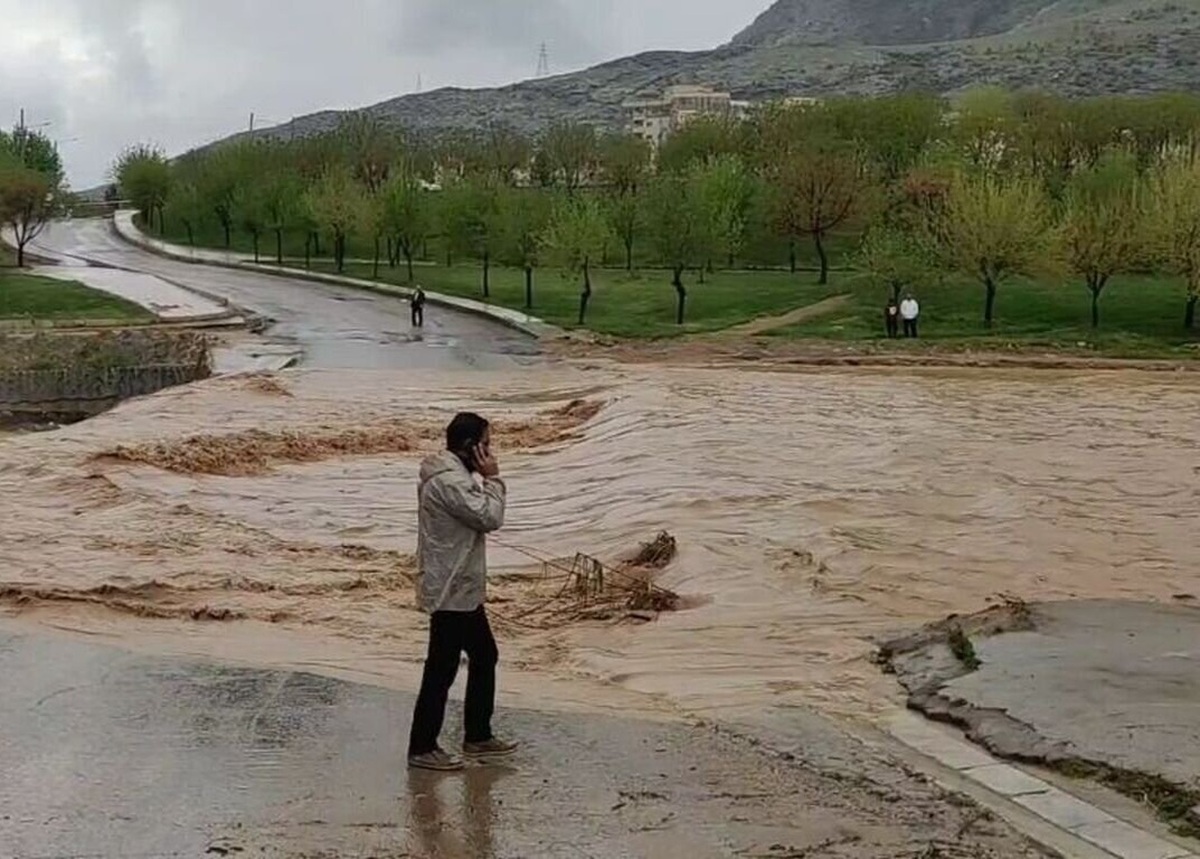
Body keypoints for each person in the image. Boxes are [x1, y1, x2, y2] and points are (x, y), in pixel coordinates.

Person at [408, 412, 517, 772]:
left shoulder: (450, 476)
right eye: (486, 444)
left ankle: (478, 736)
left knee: (484, 655)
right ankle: (423, 747)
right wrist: (495, 480)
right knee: (442, 669)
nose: (489, 450)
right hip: (452, 588)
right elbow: (489, 517)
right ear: (471, 447)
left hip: (460, 586)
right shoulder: (451, 483)